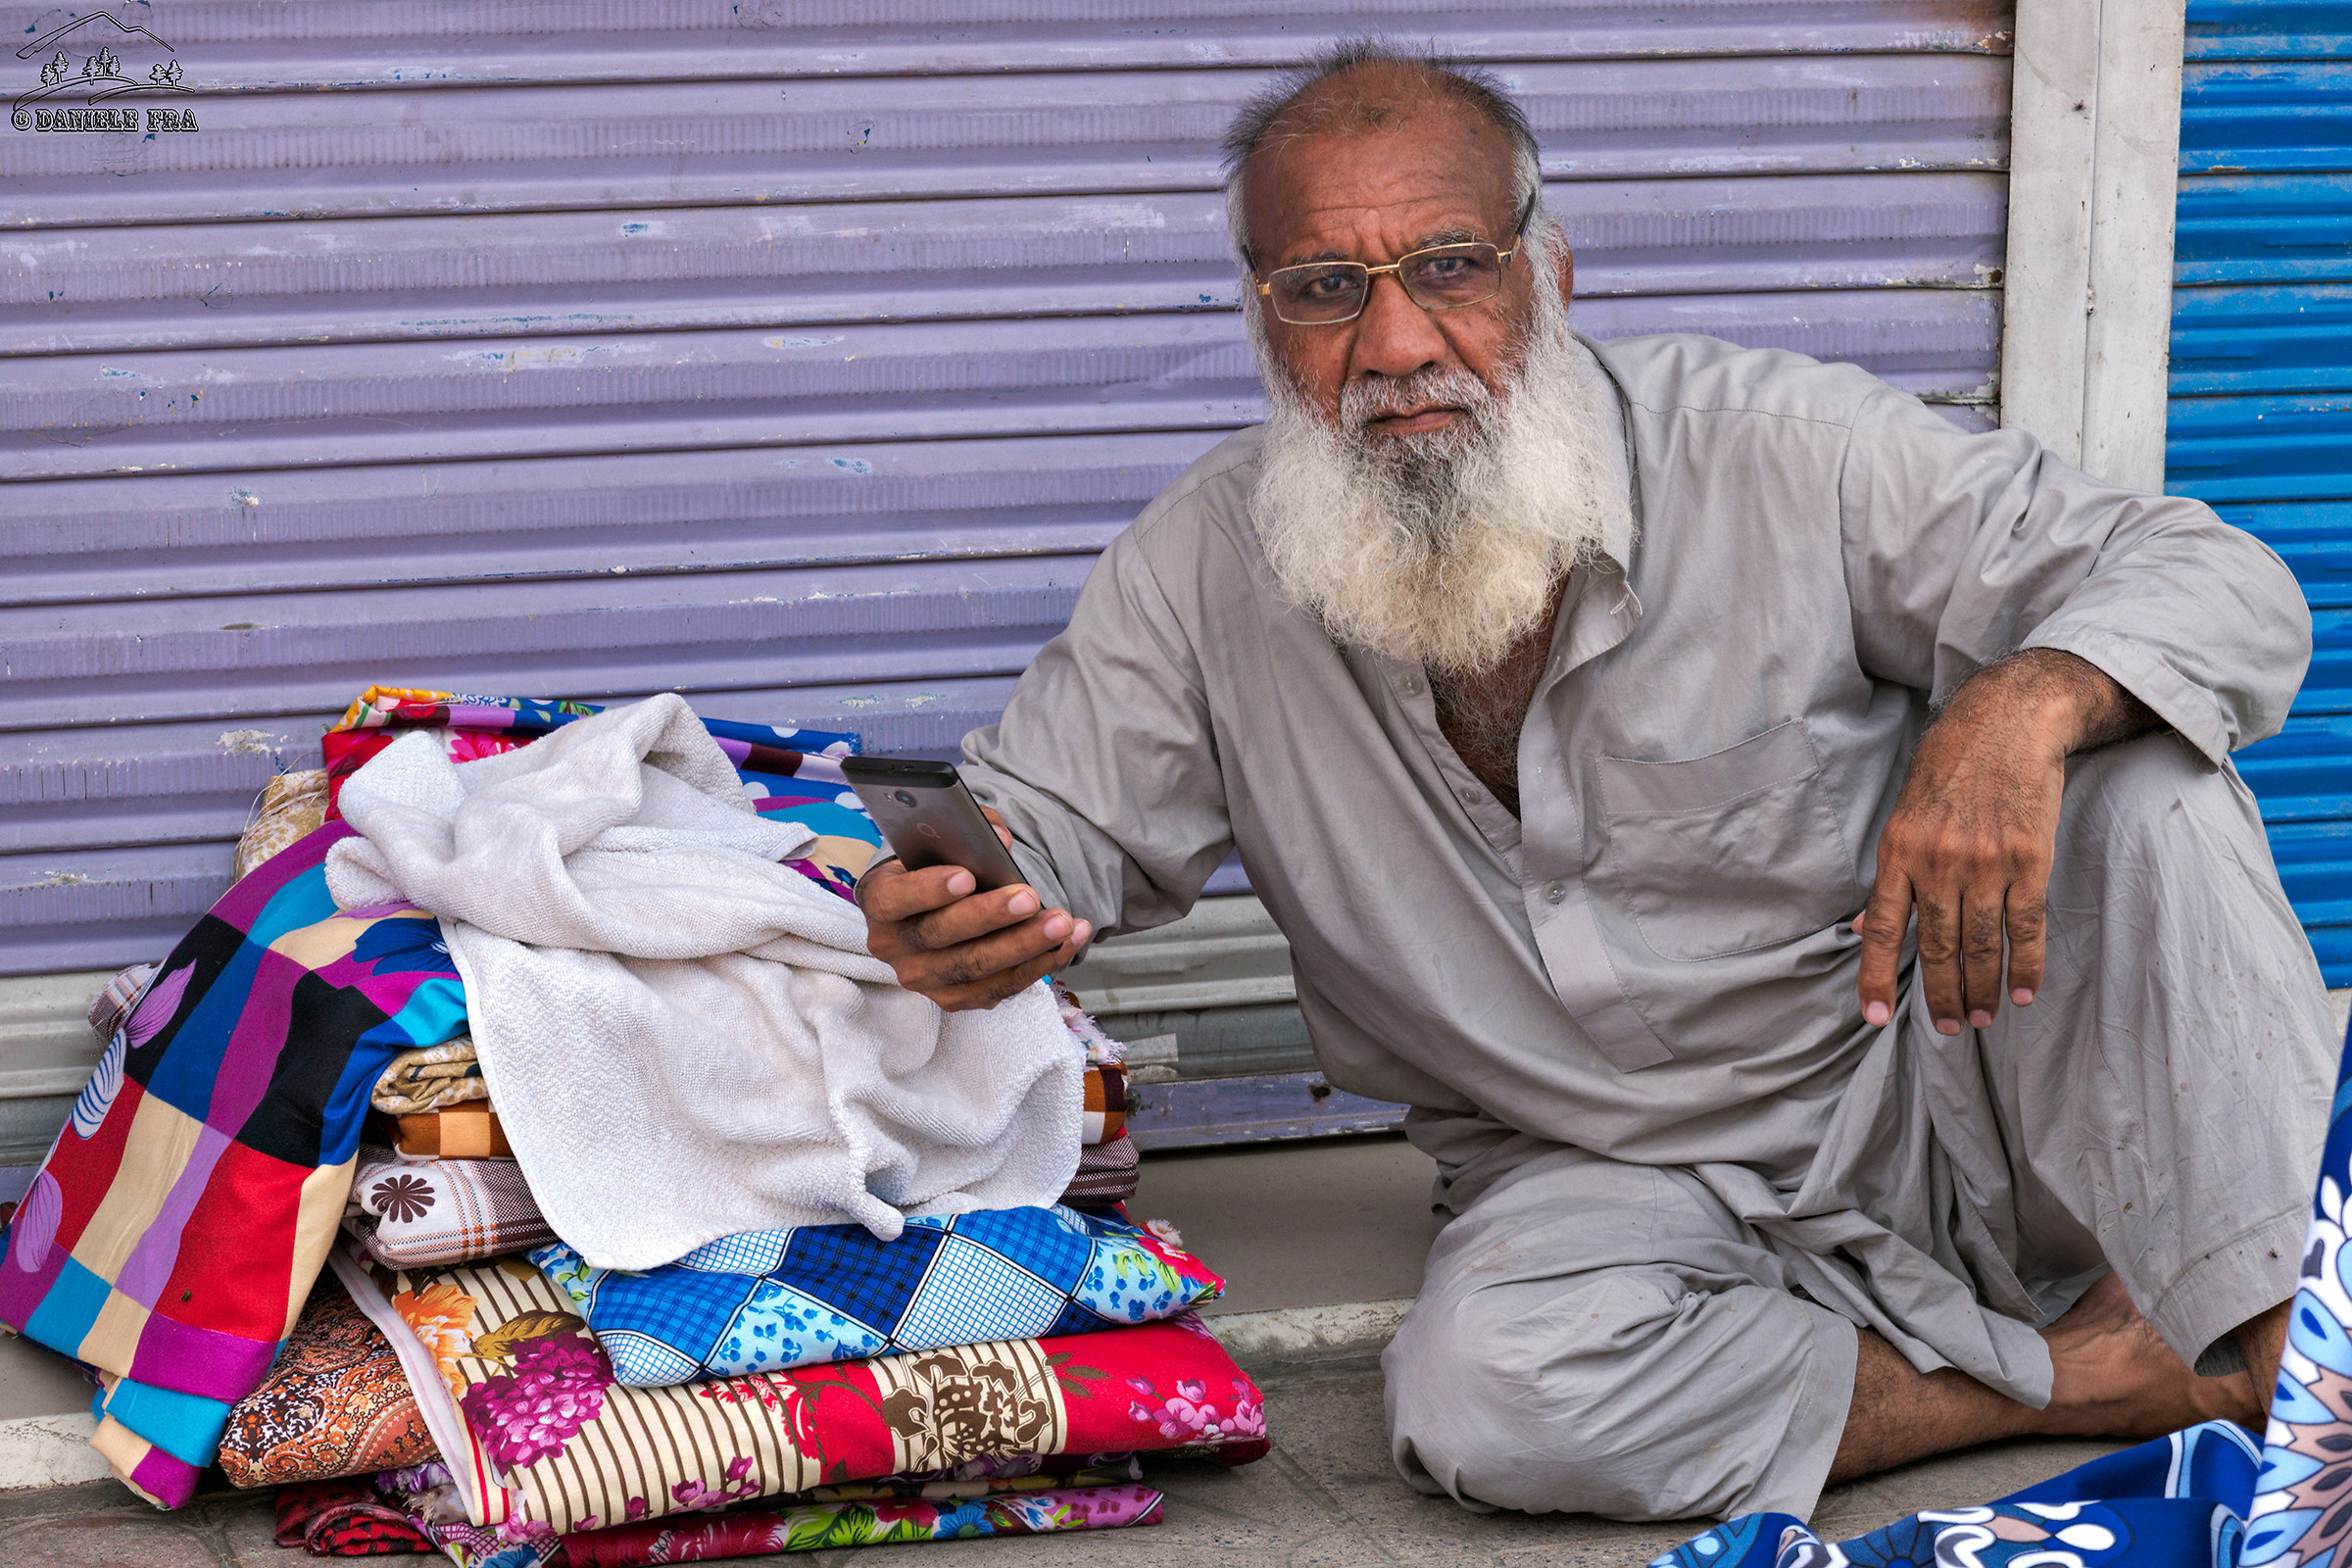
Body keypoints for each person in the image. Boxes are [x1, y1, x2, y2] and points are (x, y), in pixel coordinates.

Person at [854, 40, 2338, 1524]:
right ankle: (2112, 1379)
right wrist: (948, 910)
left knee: (2148, 788)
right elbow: (1042, 832)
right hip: (1610, 1184)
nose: (1395, 344)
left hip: (1946, 1084)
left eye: (1449, 265)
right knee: (1485, 1398)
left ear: (1549, 275)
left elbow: (2221, 579)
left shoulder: (1784, 455)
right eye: (1323, 287)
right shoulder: (1202, 571)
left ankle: (2287, 1340)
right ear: (1264, 318)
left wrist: (2025, 701)